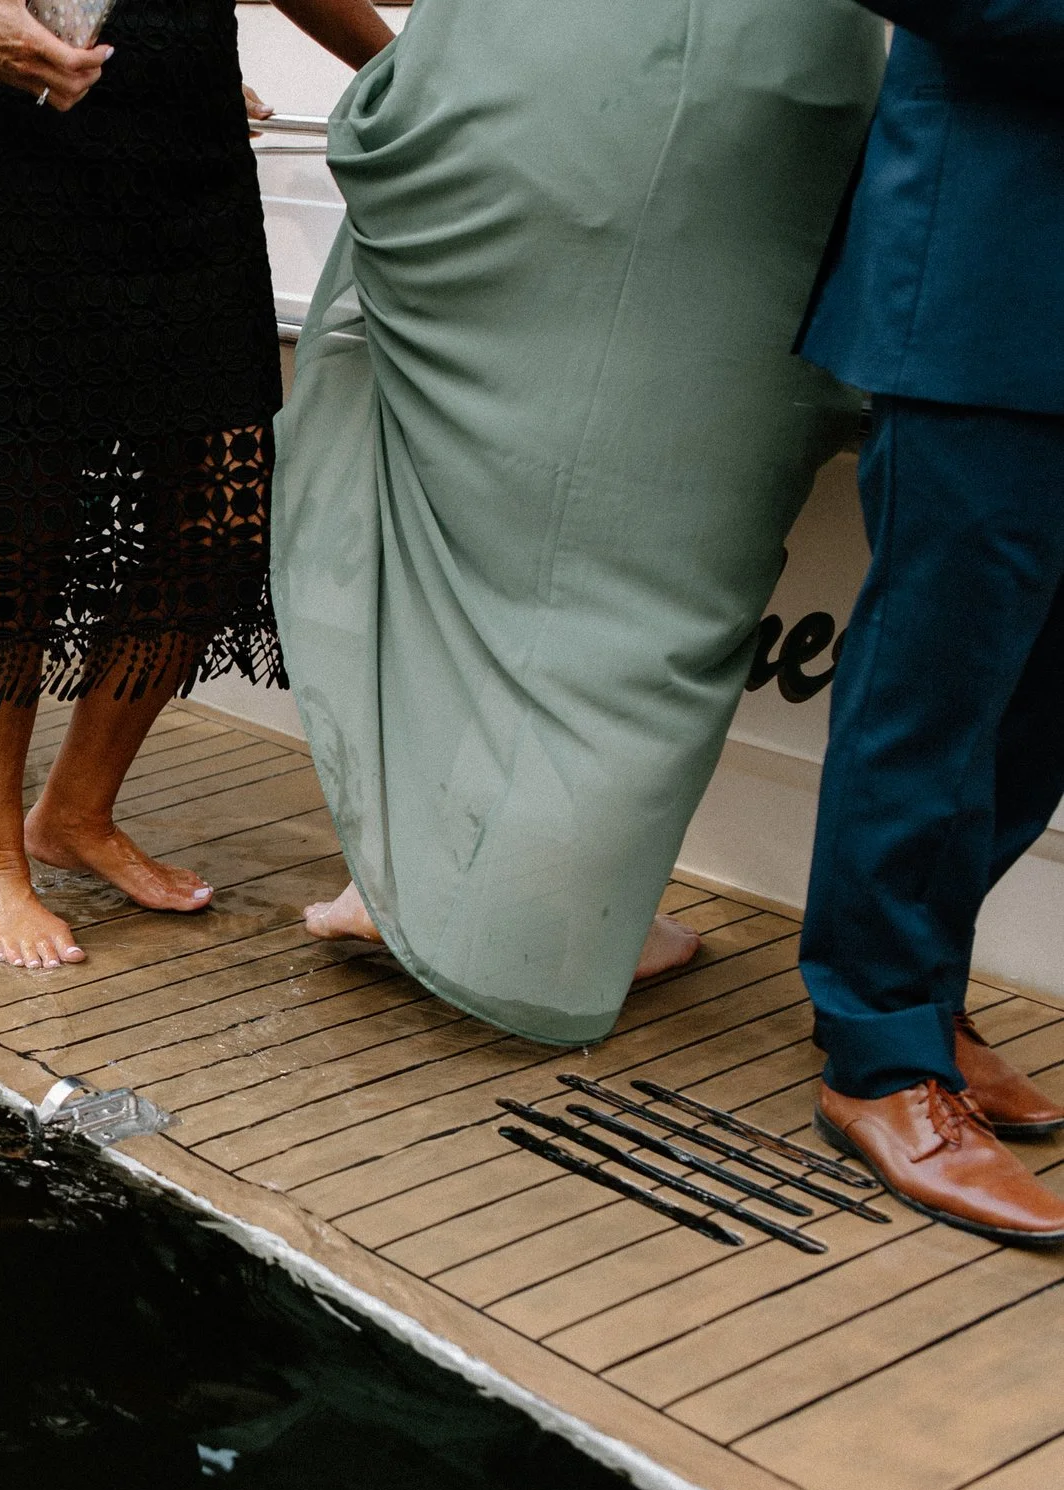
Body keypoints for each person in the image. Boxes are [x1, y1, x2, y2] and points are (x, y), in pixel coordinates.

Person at [271, 0, 882, 1043]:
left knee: (480, 515)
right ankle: (555, 919)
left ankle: (402, 881)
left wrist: (410, 63)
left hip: (507, 84)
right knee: (664, 569)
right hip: (751, 100)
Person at [0, 0, 391, 968]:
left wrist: (401, 69)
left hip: (190, 157)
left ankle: (74, 807)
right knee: (8, 513)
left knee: (215, 508)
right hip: (13, 147)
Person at [795, 0, 1064, 1246]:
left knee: (1037, 711)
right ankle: (876, 1060)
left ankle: (927, 1006)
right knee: (932, 693)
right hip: (991, 283)